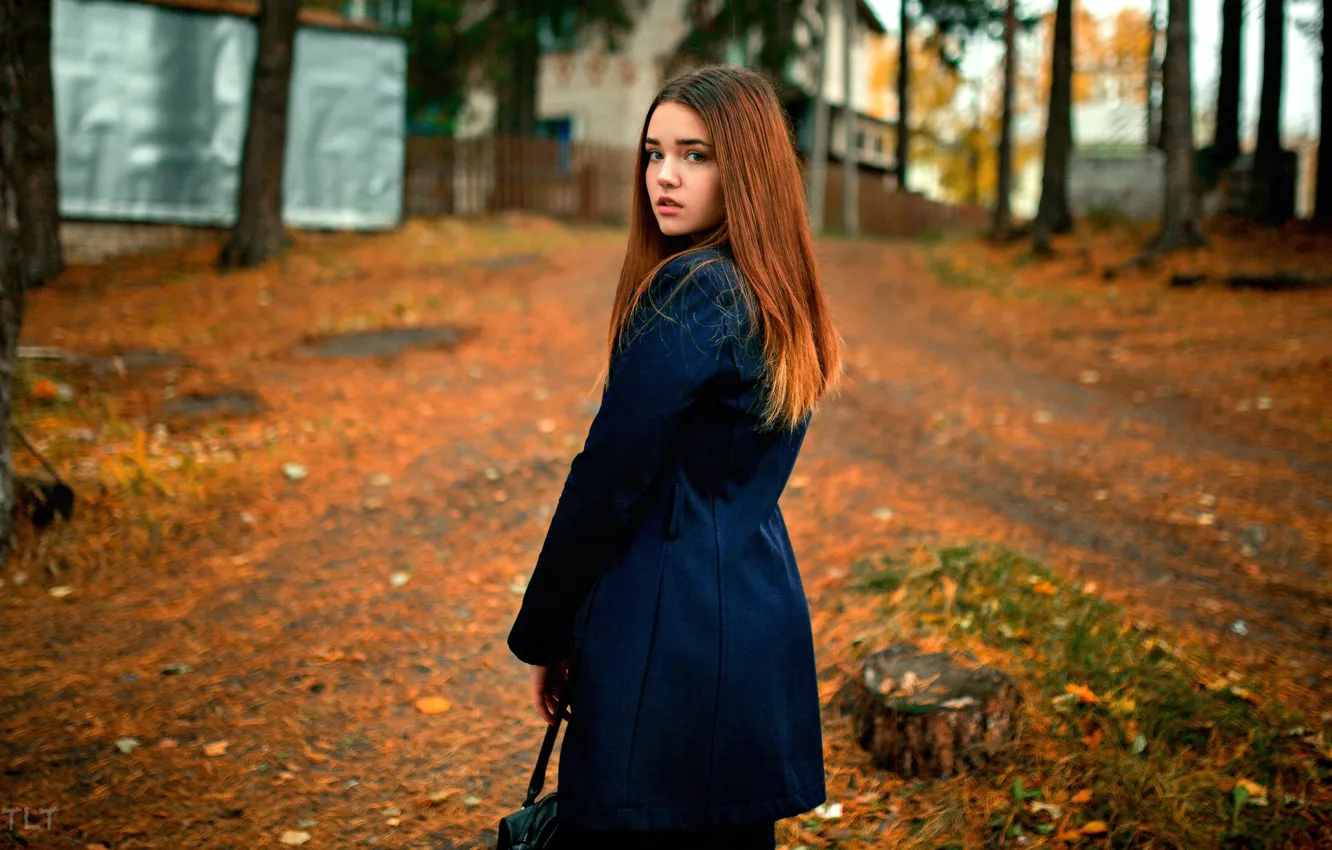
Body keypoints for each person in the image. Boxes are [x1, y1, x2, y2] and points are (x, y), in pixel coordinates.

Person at [506, 64, 844, 850]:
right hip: (747, 621)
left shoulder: (697, 291)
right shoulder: (773, 289)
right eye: (654, 152)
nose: (664, 175)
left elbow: (605, 479)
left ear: (747, 168)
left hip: (667, 639)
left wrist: (547, 632)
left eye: (696, 155)